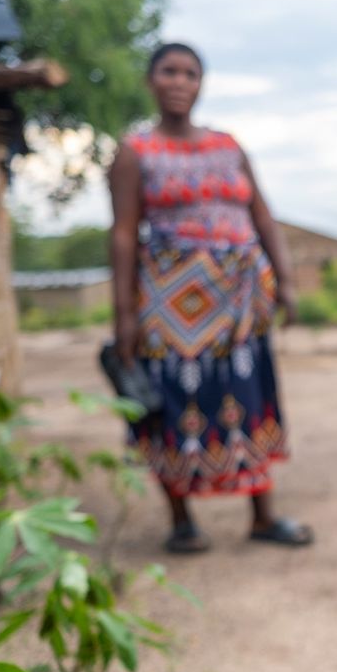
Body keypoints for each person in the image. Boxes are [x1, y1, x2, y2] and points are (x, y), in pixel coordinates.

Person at [108, 42, 312, 553]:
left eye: (190, 73)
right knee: (169, 401)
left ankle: (262, 516)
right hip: (167, 303)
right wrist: (124, 315)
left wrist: (285, 281)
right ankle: (180, 521)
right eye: (169, 71)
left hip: (240, 300)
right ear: (151, 80)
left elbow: (264, 217)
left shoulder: (228, 145)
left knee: (246, 396)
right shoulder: (135, 151)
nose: (179, 81)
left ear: (201, 84)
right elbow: (123, 234)